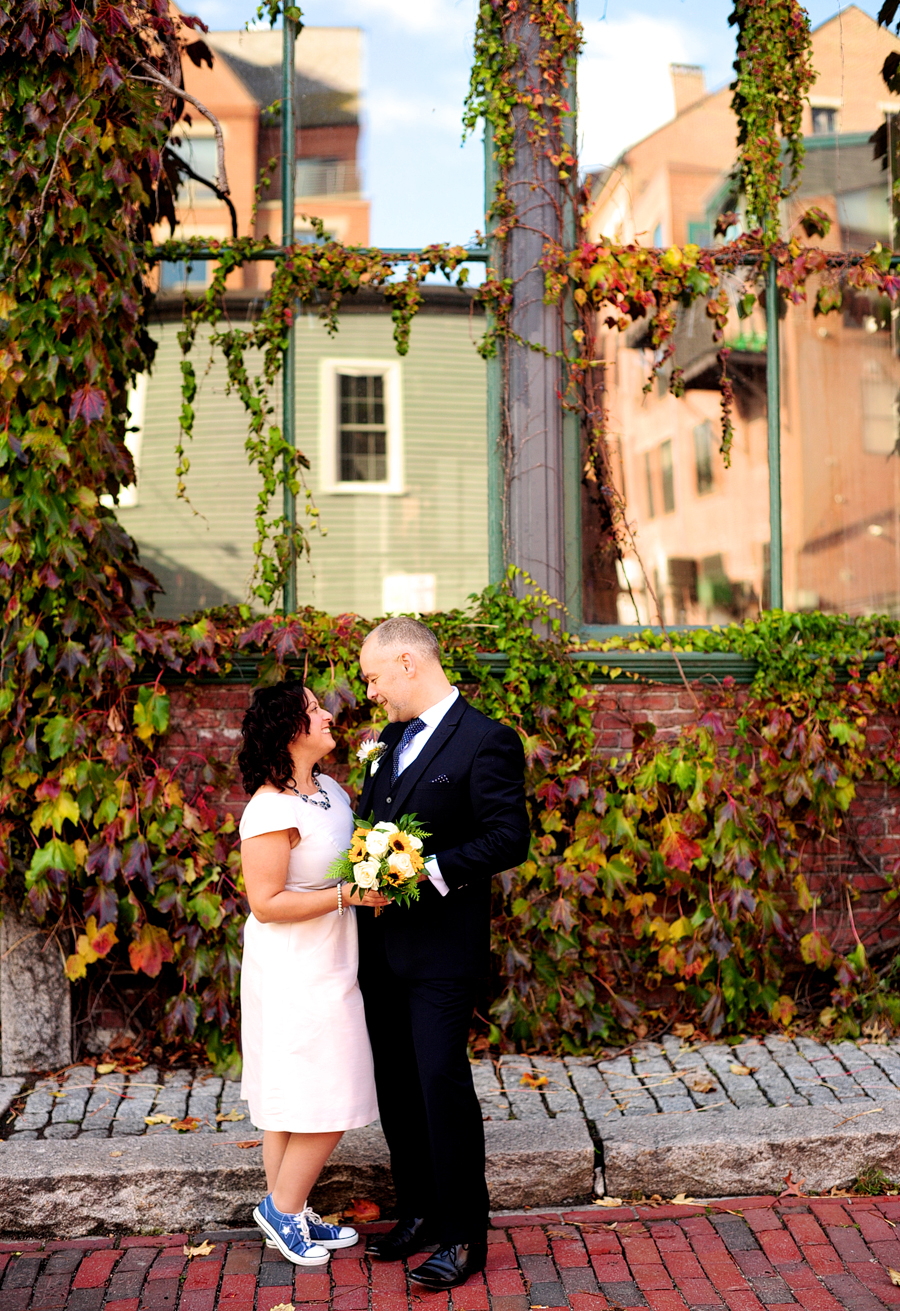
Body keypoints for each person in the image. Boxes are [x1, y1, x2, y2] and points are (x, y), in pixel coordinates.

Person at [355, 617, 531, 1290]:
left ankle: (462, 1234)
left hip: (442, 953)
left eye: (373, 677)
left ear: (407, 663)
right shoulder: (386, 743)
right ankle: (422, 1210)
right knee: (397, 1087)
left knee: (439, 1084)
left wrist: (423, 866)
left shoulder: (488, 739)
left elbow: (508, 837)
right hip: (381, 949)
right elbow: (373, 828)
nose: (371, 692)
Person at [237, 679, 386, 1266]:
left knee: (293, 1093)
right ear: (289, 731)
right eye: (314, 710)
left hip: (334, 952)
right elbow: (266, 902)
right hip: (293, 964)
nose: (328, 714)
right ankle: (280, 1208)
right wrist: (347, 894)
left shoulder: (331, 790)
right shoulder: (269, 808)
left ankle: (289, 1211)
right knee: (328, 1086)